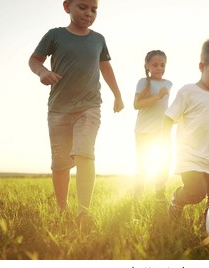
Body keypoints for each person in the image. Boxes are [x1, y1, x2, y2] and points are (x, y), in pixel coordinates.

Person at [28, 0, 124, 226]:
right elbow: (34, 59)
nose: (89, 13)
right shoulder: (55, 35)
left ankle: (84, 212)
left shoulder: (98, 39)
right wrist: (42, 71)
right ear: (67, 6)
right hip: (59, 110)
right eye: (83, 7)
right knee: (60, 164)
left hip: (89, 107)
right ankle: (62, 210)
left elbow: (106, 67)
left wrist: (117, 95)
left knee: (84, 153)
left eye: (94, 9)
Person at [164, 38, 209, 222]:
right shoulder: (188, 92)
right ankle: (177, 200)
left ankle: (208, 226)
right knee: (196, 193)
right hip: (190, 156)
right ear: (201, 66)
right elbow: (168, 118)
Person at [133, 50, 172, 201]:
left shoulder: (168, 84)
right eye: (155, 65)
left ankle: (160, 192)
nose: (159, 68)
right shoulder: (143, 82)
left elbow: (166, 107)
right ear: (147, 66)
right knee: (143, 163)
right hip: (143, 131)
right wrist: (158, 96)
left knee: (164, 161)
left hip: (162, 131)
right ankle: (138, 195)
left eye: (162, 65)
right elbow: (137, 105)